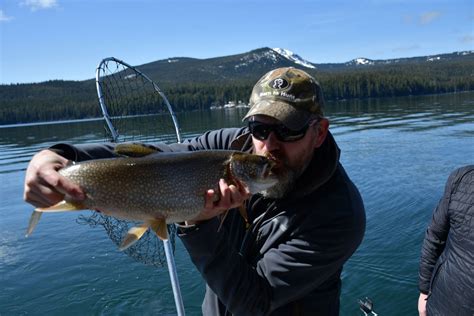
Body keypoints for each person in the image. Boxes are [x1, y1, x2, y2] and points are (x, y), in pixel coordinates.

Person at [24, 67, 366, 315]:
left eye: (288, 130)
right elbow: (155, 158)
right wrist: (61, 156)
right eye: (260, 128)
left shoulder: (339, 214)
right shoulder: (231, 148)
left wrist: (198, 225)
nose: (268, 145)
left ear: (319, 132)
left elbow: (256, 302)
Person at [418, 165, 474, 316]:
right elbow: (434, 237)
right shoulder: (460, 178)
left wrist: (424, 292)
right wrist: (424, 292)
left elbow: (434, 237)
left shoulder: (461, 178)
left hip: (443, 301)